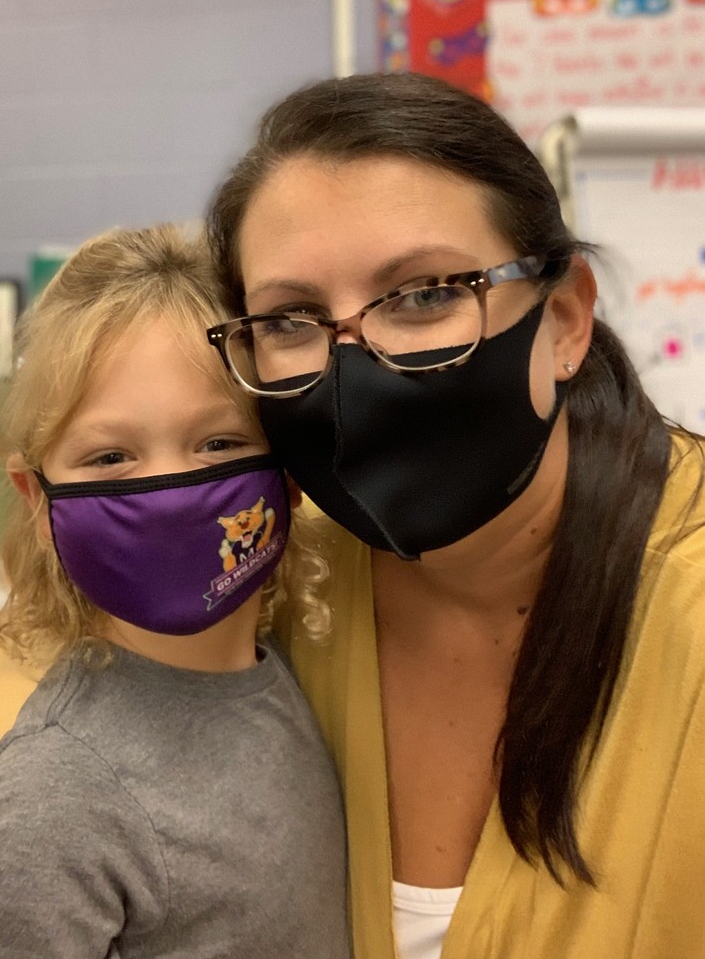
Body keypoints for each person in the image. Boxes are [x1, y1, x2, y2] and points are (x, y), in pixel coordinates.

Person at [204, 72, 705, 959]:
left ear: (562, 318)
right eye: (290, 318)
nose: (354, 366)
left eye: (426, 293)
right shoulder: (276, 591)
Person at [0, 225, 350, 959]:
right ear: (36, 498)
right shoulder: (53, 798)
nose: (170, 495)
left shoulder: (297, 672)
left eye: (219, 442)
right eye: (110, 456)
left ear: (290, 470)